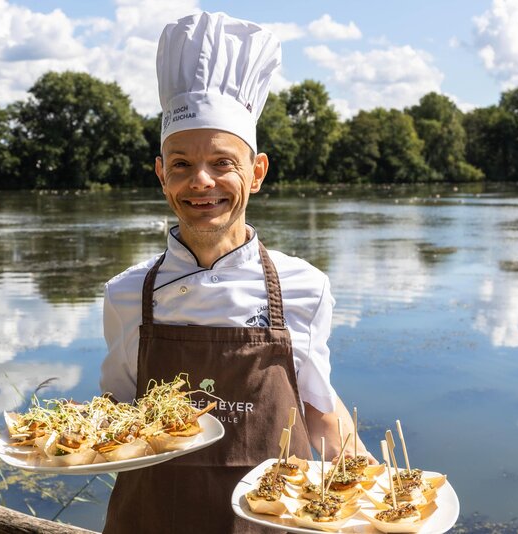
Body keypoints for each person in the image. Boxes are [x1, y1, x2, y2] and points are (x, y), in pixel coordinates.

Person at [99, 11, 375, 534]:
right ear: (162, 175)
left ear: (257, 171)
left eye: (223, 163)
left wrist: (374, 490)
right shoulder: (126, 293)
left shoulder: (304, 288)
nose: (201, 181)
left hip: (272, 525)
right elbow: (117, 416)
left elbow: (318, 410)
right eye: (180, 164)